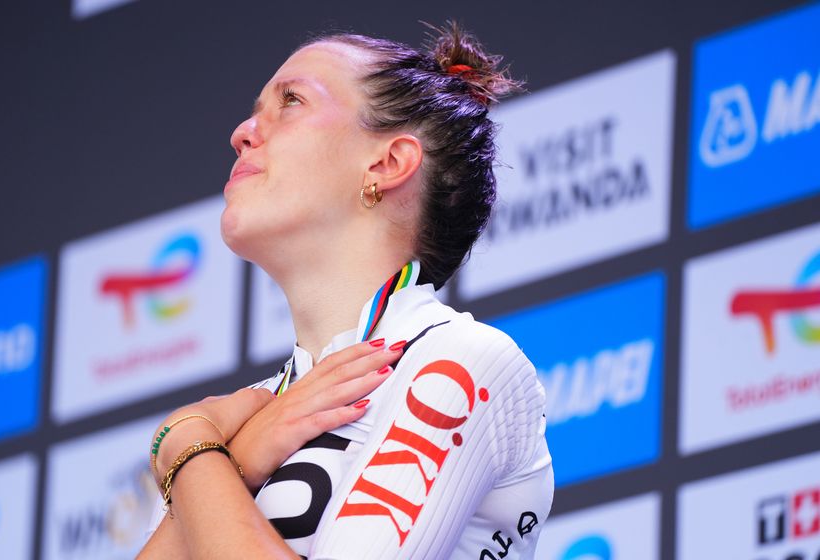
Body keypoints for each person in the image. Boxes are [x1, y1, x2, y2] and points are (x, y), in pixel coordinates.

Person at [139, 21, 553, 560]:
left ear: (387, 163)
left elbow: (187, 449)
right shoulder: (236, 428)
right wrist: (236, 453)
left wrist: (182, 443)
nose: (242, 131)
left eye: (290, 101)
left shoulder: (460, 359)